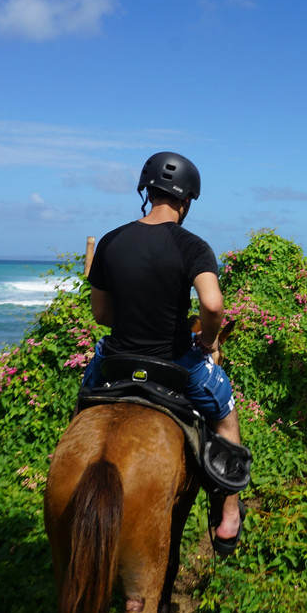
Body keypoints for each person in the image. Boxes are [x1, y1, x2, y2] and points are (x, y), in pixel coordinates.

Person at [81, 151, 245, 556]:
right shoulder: (192, 246)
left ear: (146, 191)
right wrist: (207, 343)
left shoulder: (111, 241)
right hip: (173, 364)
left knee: (84, 404)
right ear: (186, 200)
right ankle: (228, 512)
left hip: (115, 361)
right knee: (225, 413)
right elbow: (211, 304)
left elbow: (101, 314)